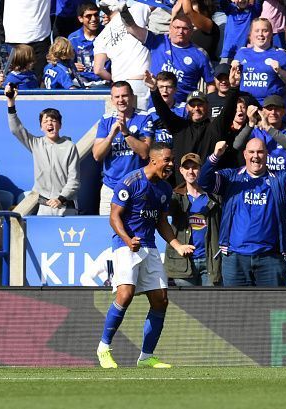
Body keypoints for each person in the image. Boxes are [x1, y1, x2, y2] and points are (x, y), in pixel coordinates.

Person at [96, 142, 195, 369]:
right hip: (125, 246)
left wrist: (177, 245)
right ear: (154, 160)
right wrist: (127, 239)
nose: (170, 165)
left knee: (161, 300)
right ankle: (103, 347)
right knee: (125, 293)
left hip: (149, 246)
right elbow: (114, 216)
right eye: (167, 160)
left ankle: (146, 356)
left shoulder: (165, 189)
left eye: (172, 161)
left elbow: (161, 221)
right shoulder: (131, 181)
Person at [198, 138, 286, 287]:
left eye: (260, 152)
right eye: (251, 152)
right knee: (236, 308)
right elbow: (203, 182)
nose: (256, 156)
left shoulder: (279, 179)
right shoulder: (231, 177)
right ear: (245, 154)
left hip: (270, 258)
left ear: (267, 154)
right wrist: (215, 156)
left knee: (271, 309)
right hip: (235, 259)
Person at [145, 64, 241, 185]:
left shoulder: (215, 127)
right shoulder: (179, 127)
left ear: (207, 106)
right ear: (187, 108)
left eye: (200, 104)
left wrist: (234, 87)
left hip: (208, 191)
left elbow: (228, 111)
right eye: (192, 105)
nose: (196, 108)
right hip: (182, 191)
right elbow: (163, 111)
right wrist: (154, 90)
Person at [5, 84, 80, 216]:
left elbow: (74, 180)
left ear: (60, 125)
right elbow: (16, 129)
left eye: (53, 120)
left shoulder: (70, 146)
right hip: (44, 207)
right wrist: (11, 102)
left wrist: (61, 198)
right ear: (41, 127)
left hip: (66, 207)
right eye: (46, 121)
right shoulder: (36, 143)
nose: (50, 124)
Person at [120, 3, 216, 104]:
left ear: (192, 30)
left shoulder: (199, 54)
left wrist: (208, 105)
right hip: (156, 106)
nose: (180, 31)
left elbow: (211, 84)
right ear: (170, 28)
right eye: (177, 27)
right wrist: (123, 12)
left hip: (183, 109)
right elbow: (132, 28)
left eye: (185, 28)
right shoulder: (158, 42)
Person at [234, 94, 286, 215]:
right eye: (269, 109)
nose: (273, 112)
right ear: (262, 111)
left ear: (284, 112)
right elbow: (237, 145)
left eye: (277, 109)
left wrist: (268, 128)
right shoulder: (255, 132)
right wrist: (251, 123)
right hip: (264, 195)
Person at [93, 81, 153, 215]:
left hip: (137, 186)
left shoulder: (144, 117)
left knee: (136, 230)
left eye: (124, 96)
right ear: (112, 99)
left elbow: (144, 152)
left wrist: (126, 132)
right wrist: (111, 135)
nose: (121, 100)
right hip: (111, 187)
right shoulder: (106, 120)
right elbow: (97, 155)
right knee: (107, 231)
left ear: (132, 97)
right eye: (117, 97)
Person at [164, 152, 222, 286]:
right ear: (181, 171)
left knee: (210, 305)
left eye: (195, 167)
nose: (191, 171)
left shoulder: (214, 197)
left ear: (201, 170)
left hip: (210, 261)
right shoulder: (175, 196)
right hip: (183, 262)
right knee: (187, 306)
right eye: (187, 168)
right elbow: (161, 215)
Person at [94, 1, 151, 110]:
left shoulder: (100, 37)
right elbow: (157, 3)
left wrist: (117, 80)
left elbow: (98, 70)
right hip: (140, 81)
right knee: (143, 123)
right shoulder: (136, 11)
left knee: (124, 123)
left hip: (119, 88)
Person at [233, 18, 286, 107]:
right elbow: (233, 82)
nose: (260, 34)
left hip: (271, 108)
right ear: (251, 34)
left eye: (265, 31)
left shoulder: (280, 55)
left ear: (271, 34)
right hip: (246, 107)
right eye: (257, 31)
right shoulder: (241, 53)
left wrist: (280, 71)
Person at [68, 1, 106, 87]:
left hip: (104, 81)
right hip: (81, 82)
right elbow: (65, 63)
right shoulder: (73, 39)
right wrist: (72, 66)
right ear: (80, 18)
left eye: (96, 15)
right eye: (88, 16)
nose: (93, 19)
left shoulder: (107, 33)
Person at [147, 71, 187, 148]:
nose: (165, 90)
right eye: (161, 87)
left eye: (169, 87)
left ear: (175, 89)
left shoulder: (184, 109)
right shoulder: (150, 112)